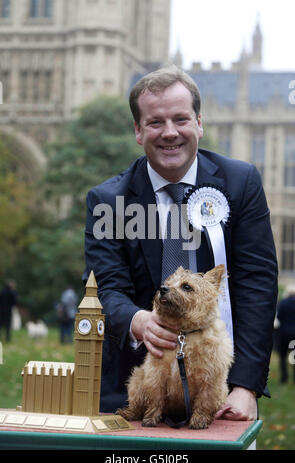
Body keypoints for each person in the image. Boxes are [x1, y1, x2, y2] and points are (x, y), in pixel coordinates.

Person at [83, 66, 278, 421]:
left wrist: (246, 388)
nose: (170, 132)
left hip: (219, 395)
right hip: (138, 393)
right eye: (155, 122)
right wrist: (138, 320)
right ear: (138, 132)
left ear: (199, 123)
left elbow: (257, 287)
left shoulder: (242, 183)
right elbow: (104, 287)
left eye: (180, 119)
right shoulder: (107, 201)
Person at [276, 286, 295, 383]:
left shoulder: (283, 303)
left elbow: (278, 317)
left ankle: (284, 378)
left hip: (284, 333)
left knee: (282, 356)